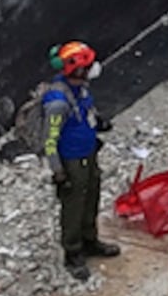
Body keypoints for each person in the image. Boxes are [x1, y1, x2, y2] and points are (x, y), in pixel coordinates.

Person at [40, 40, 118, 280]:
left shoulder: (80, 89)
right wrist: (58, 172)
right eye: (88, 65)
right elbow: (49, 140)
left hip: (88, 154)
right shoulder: (57, 103)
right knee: (73, 206)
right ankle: (73, 252)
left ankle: (90, 240)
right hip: (72, 162)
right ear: (77, 70)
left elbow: (86, 112)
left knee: (92, 197)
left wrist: (98, 124)